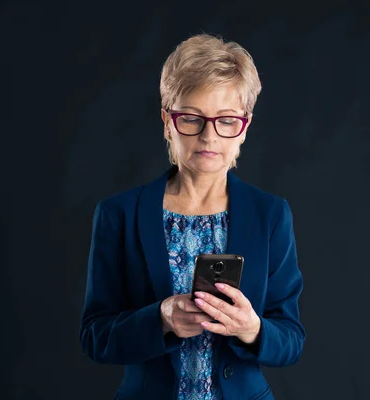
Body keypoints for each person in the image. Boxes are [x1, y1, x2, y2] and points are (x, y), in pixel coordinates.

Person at [79, 33, 305, 400]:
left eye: (226, 120)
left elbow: (292, 340)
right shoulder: (117, 214)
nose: (208, 136)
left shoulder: (271, 215)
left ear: (244, 127)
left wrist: (253, 329)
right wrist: (160, 319)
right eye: (192, 118)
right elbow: (94, 336)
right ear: (168, 120)